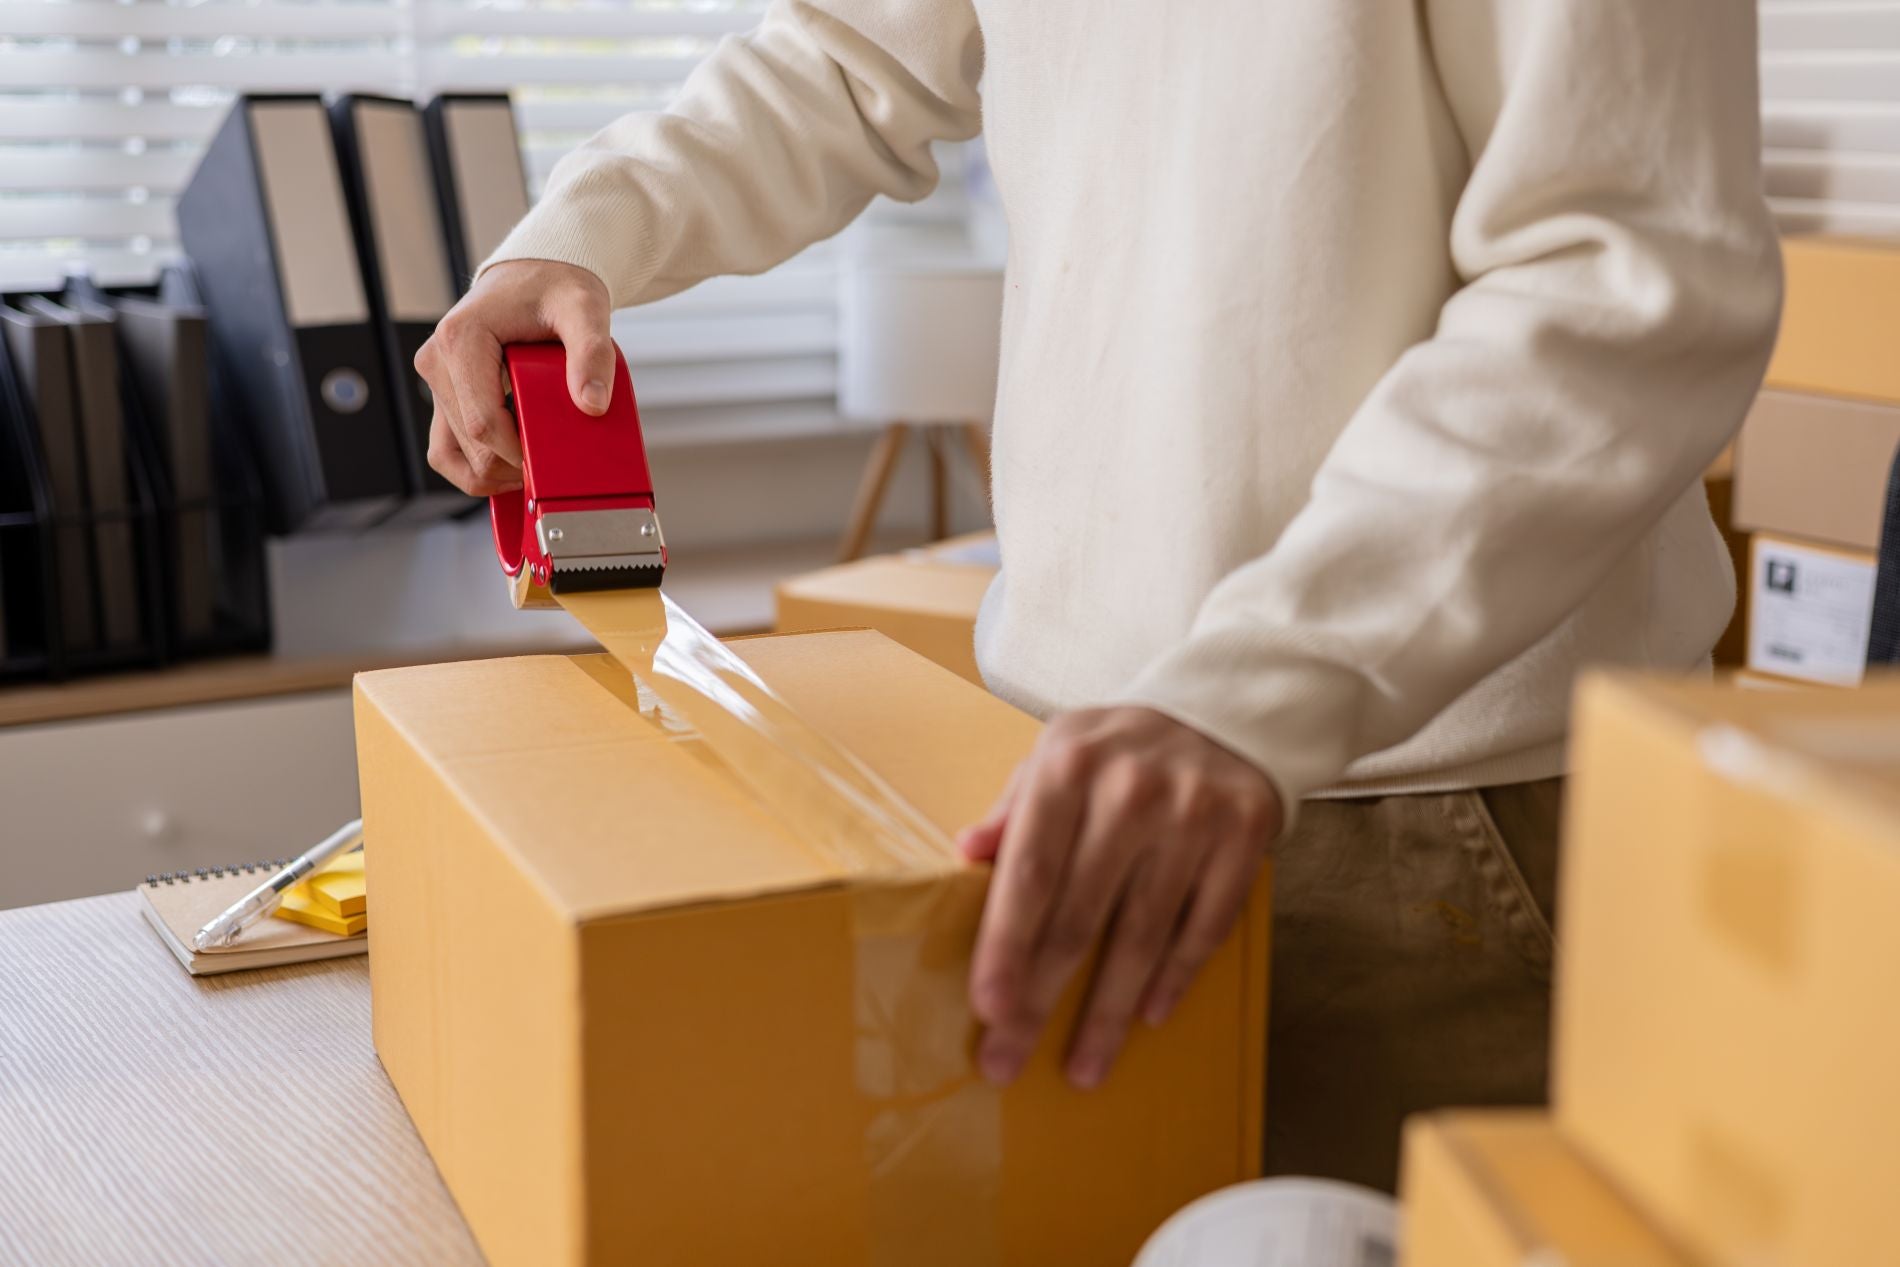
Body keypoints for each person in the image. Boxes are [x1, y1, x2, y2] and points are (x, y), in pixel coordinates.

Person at [414, 0, 1782, 1190]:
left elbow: (1633, 278)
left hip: (1420, 822)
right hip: (1062, 761)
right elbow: (843, 54)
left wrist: (1255, 694)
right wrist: (580, 238)